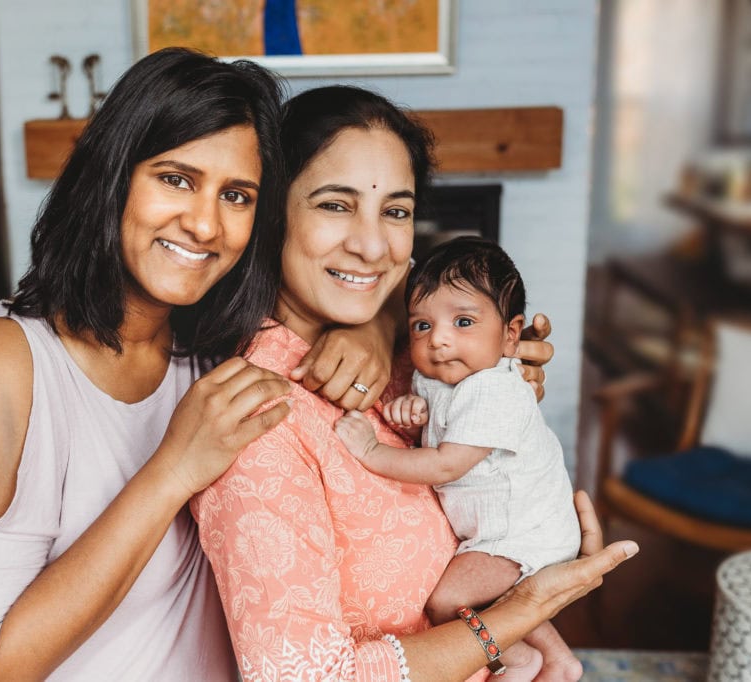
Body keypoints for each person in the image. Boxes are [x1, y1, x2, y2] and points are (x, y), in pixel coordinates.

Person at [192, 85, 638, 681]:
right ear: (272, 211)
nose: (373, 245)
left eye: (395, 211)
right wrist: (528, 605)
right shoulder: (256, 422)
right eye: (334, 204)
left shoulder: (421, 354)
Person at [0, 47, 318, 681]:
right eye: (176, 178)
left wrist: (392, 337)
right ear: (113, 175)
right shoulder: (6, 359)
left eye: (236, 195)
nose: (205, 224)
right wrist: (172, 470)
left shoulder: (222, 348)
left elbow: (353, 296)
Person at [335, 236, 583, 681]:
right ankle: (558, 659)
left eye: (463, 321)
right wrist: (411, 415)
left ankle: (519, 658)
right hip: (501, 529)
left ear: (511, 336)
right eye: (421, 326)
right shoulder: (444, 377)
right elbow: (440, 426)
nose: (439, 341)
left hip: (523, 532)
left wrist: (372, 450)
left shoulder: (495, 388)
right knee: (498, 600)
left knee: (447, 601)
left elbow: (446, 464)